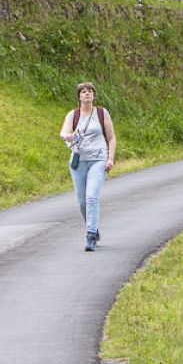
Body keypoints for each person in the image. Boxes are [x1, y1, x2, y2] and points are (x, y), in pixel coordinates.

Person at [58, 81, 116, 251]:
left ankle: (90, 234)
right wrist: (69, 136)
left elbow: (111, 138)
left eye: (90, 91)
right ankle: (94, 227)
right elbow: (64, 132)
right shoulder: (73, 115)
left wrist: (110, 159)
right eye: (83, 92)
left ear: (94, 95)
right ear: (79, 96)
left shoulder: (101, 113)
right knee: (82, 202)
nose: (87, 94)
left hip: (98, 159)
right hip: (78, 161)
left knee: (92, 197)